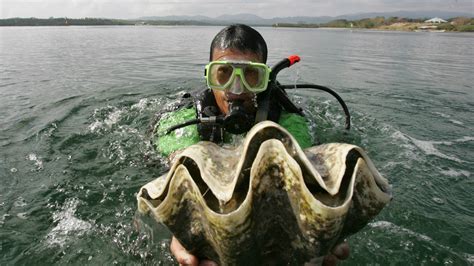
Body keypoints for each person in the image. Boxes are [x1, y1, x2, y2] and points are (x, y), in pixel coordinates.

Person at [153, 24, 350, 265]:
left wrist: (319, 220)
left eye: (250, 74)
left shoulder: (289, 122)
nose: (236, 89)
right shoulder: (183, 120)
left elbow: (302, 170)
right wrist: (185, 222)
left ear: (265, 78)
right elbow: (177, 162)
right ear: (208, 76)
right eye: (223, 73)